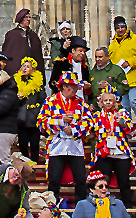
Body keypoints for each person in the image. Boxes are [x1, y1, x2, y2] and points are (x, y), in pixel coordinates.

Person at [37, 70, 95, 203]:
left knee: (81, 179)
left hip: (75, 146)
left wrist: (74, 130)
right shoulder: (51, 101)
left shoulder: (81, 103)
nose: (75, 89)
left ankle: (81, 207)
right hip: (57, 146)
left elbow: (89, 122)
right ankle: (53, 207)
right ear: (64, 86)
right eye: (73, 86)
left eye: (76, 87)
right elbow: (41, 122)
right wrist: (60, 121)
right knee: (54, 179)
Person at [91, 90, 136, 206]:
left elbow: (132, 131)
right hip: (104, 153)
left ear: (115, 102)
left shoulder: (123, 114)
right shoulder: (96, 115)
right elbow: (91, 133)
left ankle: (127, 208)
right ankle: (102, 206)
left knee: (124, 182)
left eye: (110, 100)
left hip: (121, 152)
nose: (108, 103)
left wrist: (123, 124)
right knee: (102, 183)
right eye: (105, 100)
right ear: (101, 102)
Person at [108, 16, 136, 137]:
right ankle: (129, 130)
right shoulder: (113, 44)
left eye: (122, 27)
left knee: (134, 101)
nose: (120, 30)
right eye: (118, 28)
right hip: (121, 80)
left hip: (134, 76)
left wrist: (130, 62)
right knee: (124, 106)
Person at [69, 169, 134, 218]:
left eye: (106, 186)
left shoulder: (118, 203)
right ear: (92, 189)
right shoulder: (82, 205)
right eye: (100, 186)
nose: (104, 189)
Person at [14, 57, 45, 162]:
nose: (25, 68)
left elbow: (43, 99)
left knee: (34, 143)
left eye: (27, 66)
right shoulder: (16, 83)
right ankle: (26, 163)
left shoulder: (38, 84)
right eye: (23, 66)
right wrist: (18, 98)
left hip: (34, 117)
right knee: (22, 143)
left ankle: (35, 163)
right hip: (22, 118)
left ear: (33, 69)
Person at [2, 9, 44, 77]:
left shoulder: (33, 35)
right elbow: (7, 52)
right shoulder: (12, 34)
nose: (28, 19)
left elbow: (38, 55)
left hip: (32, 72)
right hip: (16, 71)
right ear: (21, 18)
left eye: (29, 17)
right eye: (26, 17)